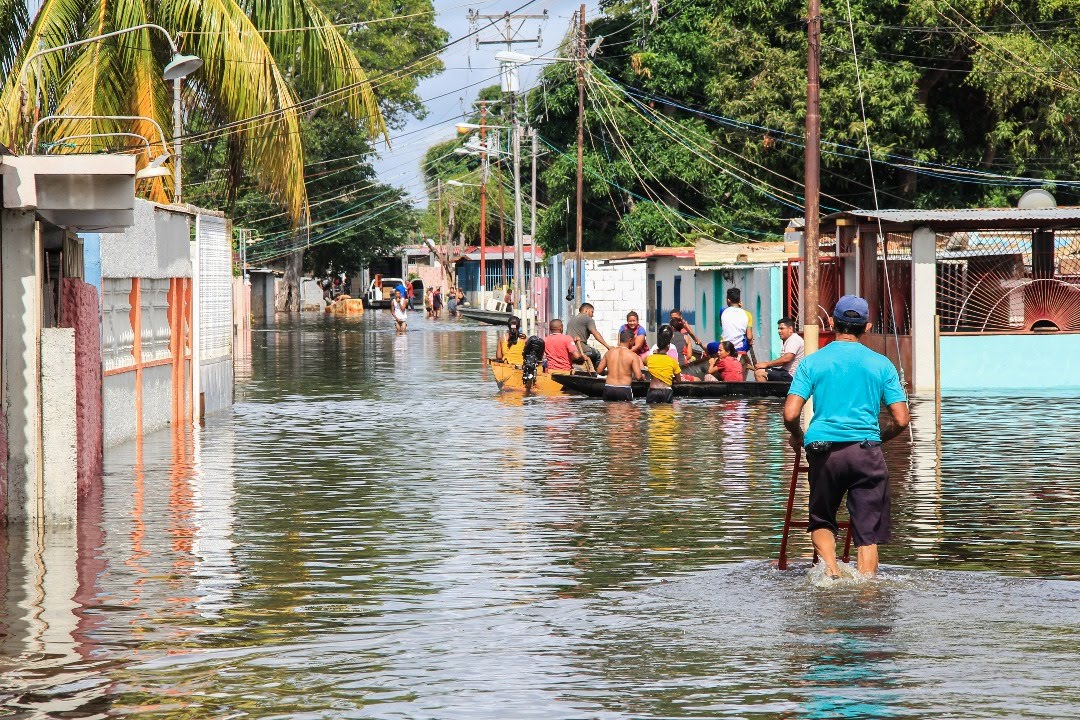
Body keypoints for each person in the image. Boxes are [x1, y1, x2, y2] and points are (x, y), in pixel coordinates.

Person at [783, 295, 910, 579]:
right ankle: (866, 589)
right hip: (866, 451)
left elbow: (790, 414)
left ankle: (831, 571)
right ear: (867, 327)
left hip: (823, 450)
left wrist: (799, 437)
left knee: (822, 520)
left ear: (831, 322)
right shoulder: (882, 365)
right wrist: (877, 438)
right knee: (867, 534)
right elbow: (902, 419)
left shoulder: (811, 363)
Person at [596, 330, 644, 401]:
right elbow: (638, 376)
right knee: (624, 411)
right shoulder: (632, 355)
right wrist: (642, 377)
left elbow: (599, 370)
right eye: (634, 341)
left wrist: (609, 372)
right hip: (624, 389)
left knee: (610, 411)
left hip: (609, 388)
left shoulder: (609, 352)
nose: (634, 343)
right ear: (630, 340)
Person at [755, 317, 805, 382]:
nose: (779, 331)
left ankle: (765, 392)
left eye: (782, 328)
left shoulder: (794, 339)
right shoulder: (790, 340)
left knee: (759, 373)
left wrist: (766, 364)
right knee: (763, 370)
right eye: (778, 329)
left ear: (790, 329)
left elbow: (787, 358)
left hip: (792, 376)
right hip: (785, 373)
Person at [566, 303, 611, 367]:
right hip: (581, 349)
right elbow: (595, 334)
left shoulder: (571, 320)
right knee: (597, 354)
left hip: (570, 350)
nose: (593, 315)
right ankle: (598, 372)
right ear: (586, 310)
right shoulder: (588, 319)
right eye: (592, 312)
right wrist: (608, 346)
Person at [645, 324, 681, 404]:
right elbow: (679, 380)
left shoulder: (649, 359)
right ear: (668, 347)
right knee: (667, 413)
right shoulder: (673, 361)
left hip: (653, 390)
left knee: (653, 414)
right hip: (666, 391)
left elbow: (644, 363)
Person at [720, 288, 755, 356]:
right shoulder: (747, 314)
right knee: (747, 336)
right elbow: (749, 337)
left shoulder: (723, 311)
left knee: (708, 346)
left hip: (725, 346)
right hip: (740, 348)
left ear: (728, 300)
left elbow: (722, 325)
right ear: (739, 301)